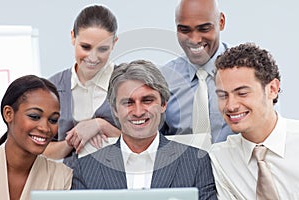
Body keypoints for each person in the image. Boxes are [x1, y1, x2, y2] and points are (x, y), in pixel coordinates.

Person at [71, 60, 217, 200]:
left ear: (163, 104)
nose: (138, 111)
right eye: (128, 102)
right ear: (115, 109)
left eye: (147, 100)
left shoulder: (196, 162)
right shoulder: (85, 168)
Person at [209, 43, 299, 199]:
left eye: (242, 93)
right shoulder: (219, 159)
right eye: (223, 96)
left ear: (272, 89)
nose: (231, 106)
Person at [43, 5, 121, 168]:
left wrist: (101, 125)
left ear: (114, 43)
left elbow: (147, 142)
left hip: (122, 182)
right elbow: (40, 148)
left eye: (103, 49)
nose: (93, 57)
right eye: (85, 47)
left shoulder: (130, 83)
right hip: (70, 184)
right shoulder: (52, 88)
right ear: (73, 37)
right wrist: (75, 138)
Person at [159, 0, 235, 148]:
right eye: (185, 30)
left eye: (204, 29)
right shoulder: (164, 79)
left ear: (221, 22)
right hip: (183, 168)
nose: (194, 40)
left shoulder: (247, 70)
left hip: (236, 167)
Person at [0, 75, 72, 200]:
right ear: (8, 114)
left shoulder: (61, 176)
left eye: (53, 120)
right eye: (34, 116)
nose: (45, 128)